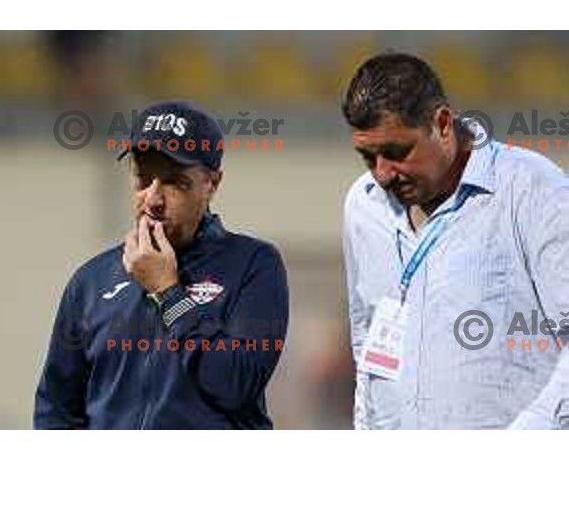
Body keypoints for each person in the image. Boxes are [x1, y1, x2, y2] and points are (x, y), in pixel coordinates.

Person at [341, 52, 569, 429]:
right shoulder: (362, 206)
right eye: (368, 157)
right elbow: (368, 339)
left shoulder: (535, 192)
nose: (382, 174)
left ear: (443, 123)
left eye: (397, 153)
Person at [34, 102, 289, 429]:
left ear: (211, 184)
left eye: (174, 182)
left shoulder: (253, 264)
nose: (152, 199)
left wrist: (168, 292)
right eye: (143, 177)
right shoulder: (90, 282)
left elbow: (236, 384)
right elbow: (56, 410)